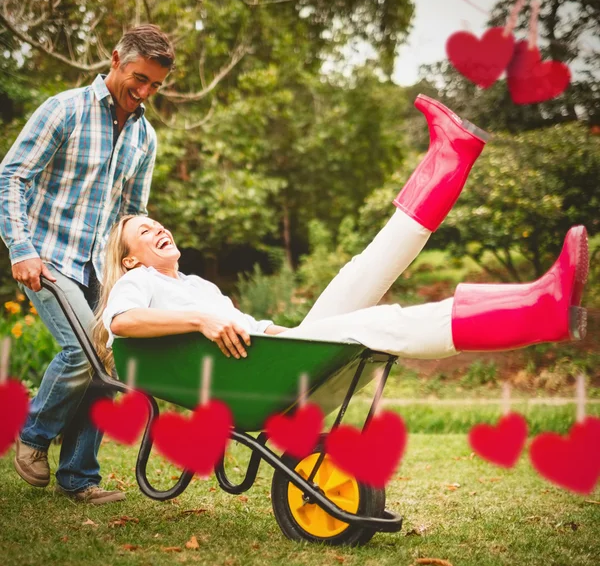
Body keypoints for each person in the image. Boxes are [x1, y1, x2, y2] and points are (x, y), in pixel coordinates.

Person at [91, 99, 587, 373]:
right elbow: (123, 322)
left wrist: (257, 326)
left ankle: (451, 156)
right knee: (381, 323)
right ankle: (536, 311)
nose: (158, 228)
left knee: (362, 270)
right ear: (130, 259)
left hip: (280, 355)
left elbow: (251, 327)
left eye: (157, 222)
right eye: (143, 230)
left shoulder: (196, 286)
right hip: (271, 375)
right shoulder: (141, 286)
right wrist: (200, 319)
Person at [0, 24, 175, 505]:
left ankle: (78, 477)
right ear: (116, 59)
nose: (143, 92)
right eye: (138, 78)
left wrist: (139, 268)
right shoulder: (65, 109)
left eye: (154, 85)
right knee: (83, 352)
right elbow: (12, 174)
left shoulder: (145, 137)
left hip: (100, 268)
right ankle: (33, 437)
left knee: (108, 362)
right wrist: (21, 248)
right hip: (48, 255)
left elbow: (131, 214)